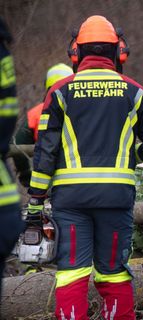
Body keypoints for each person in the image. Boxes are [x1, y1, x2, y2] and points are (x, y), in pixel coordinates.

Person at [27, 15, 143, 319]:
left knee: (72, 272)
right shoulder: (135, 92)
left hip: (71, 201)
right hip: (116, 198)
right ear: (119, 53)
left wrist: (36, 200)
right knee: (114, 272)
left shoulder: (60, 92)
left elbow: (46, 151)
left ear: (75, 54)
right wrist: (130, 156)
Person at [13, 63, 73, 187]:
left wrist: (25, 174)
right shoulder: (83, 111)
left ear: (47, 85)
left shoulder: (35, 113)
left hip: (45, 185)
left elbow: (18, 145)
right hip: (79, 182)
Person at [0, 16, 24, 301]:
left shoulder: (59, 94)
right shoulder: (132, 90)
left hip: (67, 194)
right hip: (5, 205)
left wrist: (35, 187)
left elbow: (30, 151)